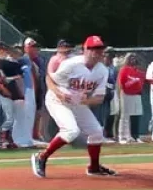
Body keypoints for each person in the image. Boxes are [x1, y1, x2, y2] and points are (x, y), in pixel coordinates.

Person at [31, 35, 117, 179]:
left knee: (96, 132)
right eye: (93, 49)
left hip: (77, 103)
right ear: (85, 50)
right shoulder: (72, 64)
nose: (97, 52)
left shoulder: (102, 70)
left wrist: (87, 100)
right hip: (57, 100)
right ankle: (41, 157)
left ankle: (94, 167)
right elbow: (49, 78)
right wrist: (59, 93)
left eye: (100, 49)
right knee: (71, 131)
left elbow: (100, 98)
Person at [117, 53, 146, 144]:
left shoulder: (138, 70)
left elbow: (142, 81)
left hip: (136, 94)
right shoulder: (124, 70)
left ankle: (134, 136)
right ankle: (122, 136)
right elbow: (121, 83)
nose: (133, 60)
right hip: (126, 94)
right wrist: (121, 93)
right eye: (131, 58)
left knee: (136, 115)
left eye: (134, 58)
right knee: (125, 115)